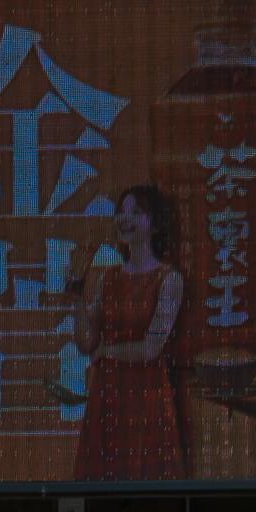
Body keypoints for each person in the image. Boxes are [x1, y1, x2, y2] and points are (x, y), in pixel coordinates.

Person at [75, 182, 192, 490]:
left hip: (146, 396)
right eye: (121, 213)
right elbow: (86, 342)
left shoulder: (169, 279)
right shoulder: (106, 278)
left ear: (155, 224)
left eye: (136, 213)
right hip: (108, 394)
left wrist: (106, 353)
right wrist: (78, 292)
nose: (124, 220)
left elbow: (151, 347)